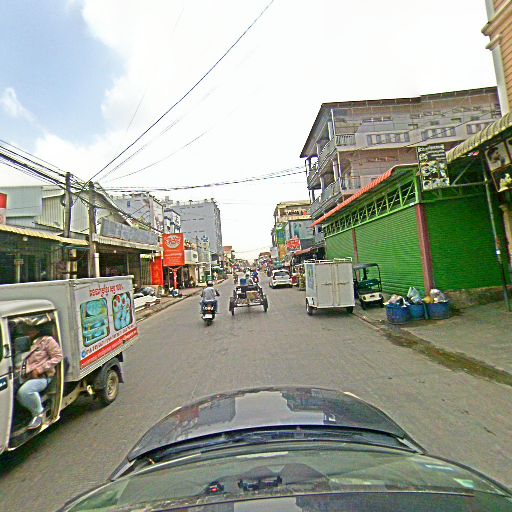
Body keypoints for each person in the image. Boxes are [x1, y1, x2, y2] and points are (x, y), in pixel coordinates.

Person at [16, 324, 63, 430]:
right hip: (22, 376)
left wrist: (40, 369)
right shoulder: (20, 343)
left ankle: (38, 414)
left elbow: (58, 356)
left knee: (24, 392)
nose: (27, 331)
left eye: (29, 329)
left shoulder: (46, 341)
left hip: (41, 377)